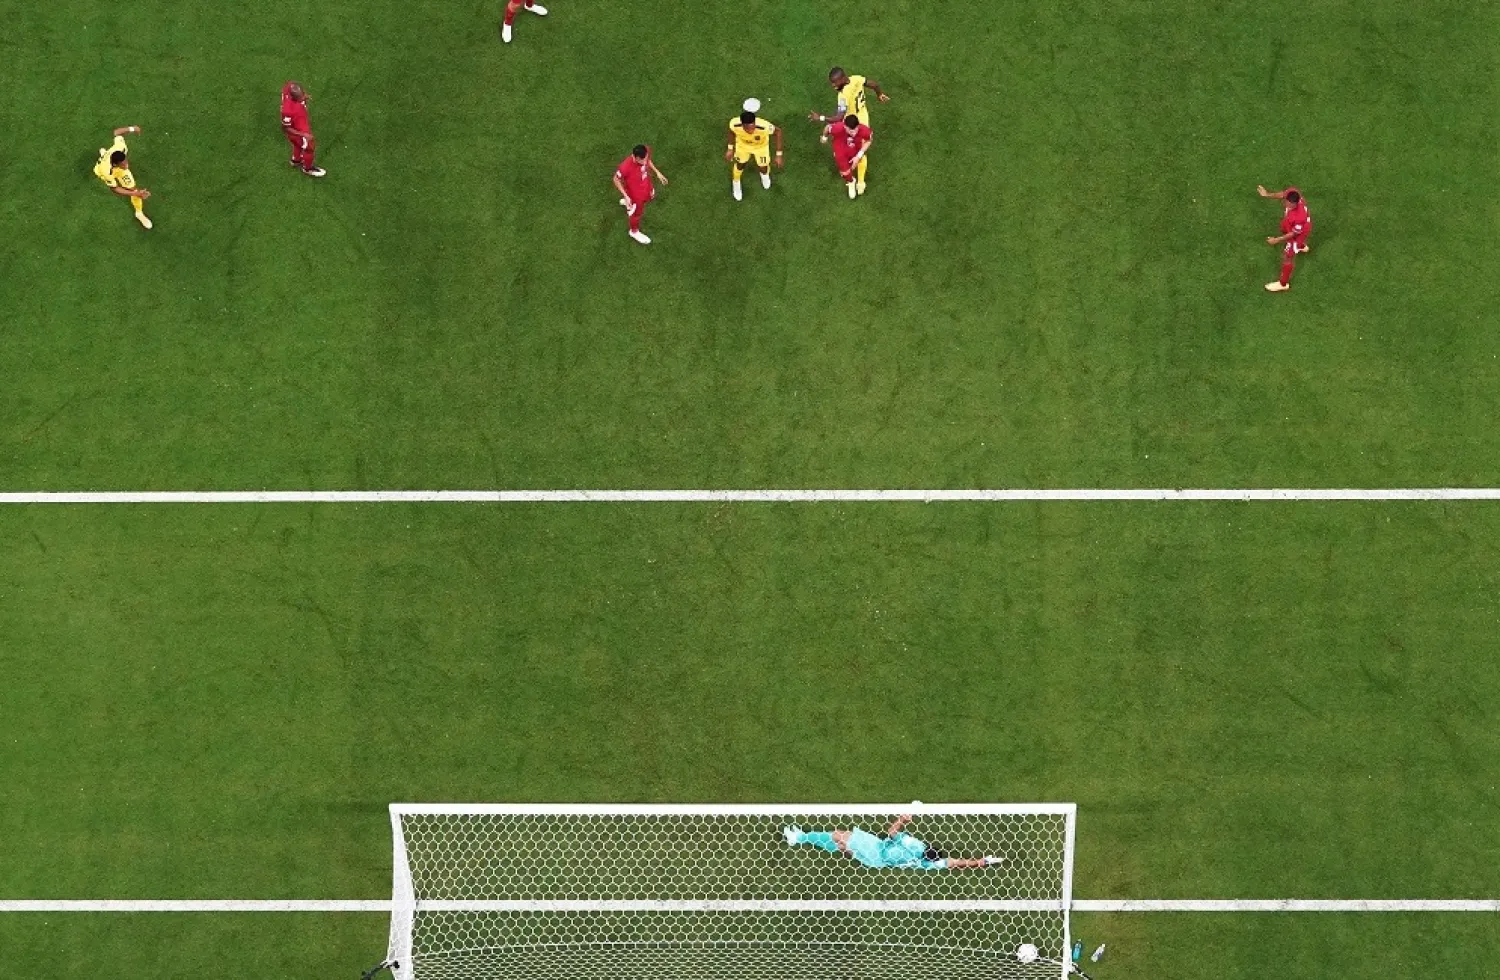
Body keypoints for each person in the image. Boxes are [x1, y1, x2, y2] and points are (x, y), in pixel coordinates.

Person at [784, 814, 1005, 870]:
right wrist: (984, 861)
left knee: (839, 836)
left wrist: (901, 820)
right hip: (876, 860)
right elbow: (959, 863)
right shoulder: (928, 864)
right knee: (843, 845)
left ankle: (800, 837)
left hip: (876, 852)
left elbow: (891, 833)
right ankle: (802, 839)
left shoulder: (915, 846)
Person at [808, 67, 889, 195]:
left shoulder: (843, 95)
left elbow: (839, 117)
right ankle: (855, 179)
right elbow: (874, 84)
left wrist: (821, 117)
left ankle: (860, 181)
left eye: (835, 82)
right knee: (853, 146)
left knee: (859, 150)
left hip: (854, 123)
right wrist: (879, 94)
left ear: (842, 79)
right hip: (863, 116)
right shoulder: (856, 78)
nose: (833, 85)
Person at [93, 126, 153, 229]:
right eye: (123, 164)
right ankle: (103, 155)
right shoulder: (106, 171)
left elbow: (116, 132)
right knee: (134, 192)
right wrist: (134, 193)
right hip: (102, 170)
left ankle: (139, 213)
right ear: (116, 164)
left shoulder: (120, 148)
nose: (127, 165)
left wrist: (132, 128)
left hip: (116, 168)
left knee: (133, 188)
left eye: (126, 161)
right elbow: (114, 188)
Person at [1258, 184, 1311, 292]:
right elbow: (1282, 194)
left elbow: (1293, 234)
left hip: (1298, 234)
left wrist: (1276, 240)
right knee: (1283, 228)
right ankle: (1301, 247)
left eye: (1288, 203)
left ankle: (1283, 284)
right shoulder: (1294, 193)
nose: (1285, 203)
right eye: (1285, 201)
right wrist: (1267, 194)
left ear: (1295, 204)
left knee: (1287, 257)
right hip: (1290, 224)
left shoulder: (1300, 217)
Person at [613, 144, 668, 245]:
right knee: (636, 214)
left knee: (651, 196)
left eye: (645, 158)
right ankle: (634, 232)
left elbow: (648, 161)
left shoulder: (645, 151)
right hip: (635, 195)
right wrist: (625, 195)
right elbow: (616, 179)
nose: (644, 162)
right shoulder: (625, 167)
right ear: (635, 157)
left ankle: (627, 202)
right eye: (641, 160)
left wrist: (657, 172)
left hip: (646, 186)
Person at [726, 109, 783, 201]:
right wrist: (730, 148)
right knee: (740, 165)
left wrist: (779, 155)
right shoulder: (734, 124)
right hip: (743, 146)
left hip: (760, 148)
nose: (751, 130)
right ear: (742, 125)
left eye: (753, 127)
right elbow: (731, 132)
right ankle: (736, 183)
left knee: (763, 167)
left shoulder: (764, 126)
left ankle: (764, 176)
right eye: (748, 128)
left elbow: (778, 132)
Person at [281, 82, 326, 178]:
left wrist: (303, 97)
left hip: (299, 127)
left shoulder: (290, 87)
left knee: (297, 145)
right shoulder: (287, 110)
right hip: (299, 131)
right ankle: (307, 168)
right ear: (294, 98)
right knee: (310, 148)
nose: (303, 97)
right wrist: (303, 134)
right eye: (301, 97)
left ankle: (296, 160)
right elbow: (285, 128)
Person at [823, 115, 872, 200]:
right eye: (850, 130)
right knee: (845, 173)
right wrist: (824, 137)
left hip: (855, 151)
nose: (854, 133)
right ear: (845, 126)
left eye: (856, 129)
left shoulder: (863, 130)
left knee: (853, 166)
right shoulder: (838, 128)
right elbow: (827, 127)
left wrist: (858, 155)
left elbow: (869, 140)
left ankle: (851, 175)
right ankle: (851, 181)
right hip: (840, 152)